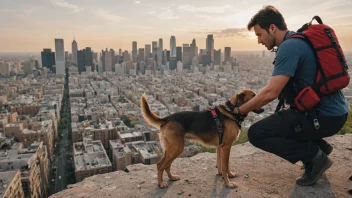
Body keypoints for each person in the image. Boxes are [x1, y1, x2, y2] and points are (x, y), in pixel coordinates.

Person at [234, 5, 349, 186]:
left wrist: (240, 110)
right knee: (285, 119)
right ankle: (319, 147)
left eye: (259, 34)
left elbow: (272, 92)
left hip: (323, 116)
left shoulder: (289, 47)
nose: (259, 41)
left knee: (257, 133)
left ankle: (316, 157)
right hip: (336, 113)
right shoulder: (300, 40)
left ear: (272, 28)